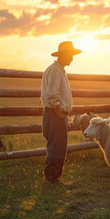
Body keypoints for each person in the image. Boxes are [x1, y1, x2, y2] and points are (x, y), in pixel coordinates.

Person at [41, 41, 81, 183]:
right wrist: (59, 115)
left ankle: (55, 177)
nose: (72, 58)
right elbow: (52, 95)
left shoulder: (59, 70)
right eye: (70, 55)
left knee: (59, 146)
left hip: (57, 113)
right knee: (56, 146)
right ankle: (52, 178)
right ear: (64, 55)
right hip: (55, 113)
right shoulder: (55, 71)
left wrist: (64, 117)